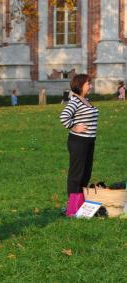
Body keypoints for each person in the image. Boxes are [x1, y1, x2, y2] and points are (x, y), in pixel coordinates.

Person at [60, 74, 99, 217]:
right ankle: (72, 209)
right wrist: (74, 127)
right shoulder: (75, 101)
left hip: (89, 141)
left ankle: (80, 205)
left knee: (86, 173)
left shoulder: (86, 100)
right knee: (76, 175)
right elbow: (64, 117)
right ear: (80, 85)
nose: (91, 86)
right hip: (78, 142)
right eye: (89, 83)